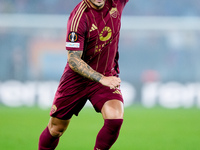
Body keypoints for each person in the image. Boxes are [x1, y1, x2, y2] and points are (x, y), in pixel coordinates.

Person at [38, 0, 129, 149]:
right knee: (56, 129)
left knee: (115, 118)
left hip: (106, 74)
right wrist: (101, 79)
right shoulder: (79, 18)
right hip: (76, 79)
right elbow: (73, 59)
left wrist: (103, 78)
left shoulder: (115, 2)